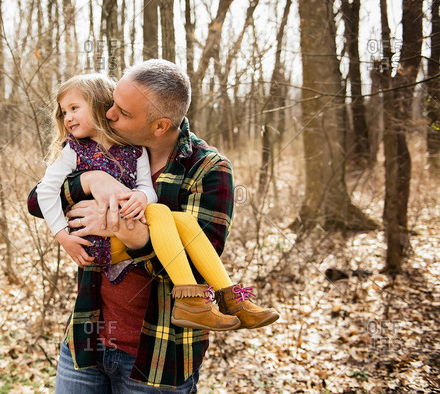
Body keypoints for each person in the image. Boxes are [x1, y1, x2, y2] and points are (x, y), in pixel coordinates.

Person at [27, 60, 279, 391]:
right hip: (87, 339)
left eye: (123, 112)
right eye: (111, 103)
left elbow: (198, 262)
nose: (110, 114)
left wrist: (127, 232)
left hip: (158, 355)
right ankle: (234, 297)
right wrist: (91, 179)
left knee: (168, 218)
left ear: (159, 126)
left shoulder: (206, 168)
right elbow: (37, 201)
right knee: (162, 215)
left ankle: (232, 298)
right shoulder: (96, 149)